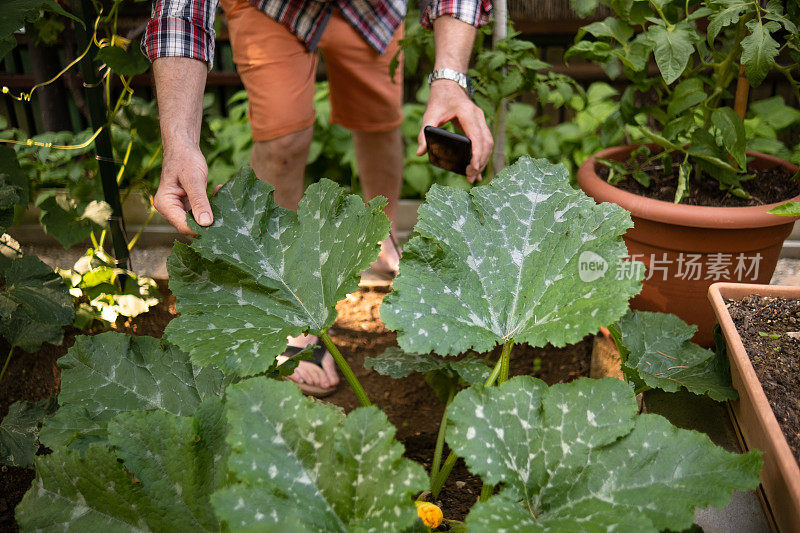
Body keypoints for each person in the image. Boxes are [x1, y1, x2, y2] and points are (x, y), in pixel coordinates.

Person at [143, 0, 494, 395]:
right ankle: (286, 298)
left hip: (369, 7)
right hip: (272, 6)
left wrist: (449, 80)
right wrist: (179, 139)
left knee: (378, 122)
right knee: (283, 142)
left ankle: (382, 236)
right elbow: (181, 10)